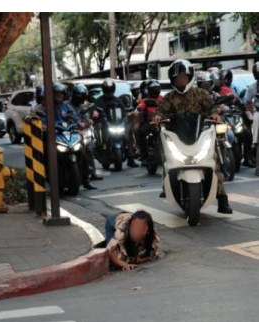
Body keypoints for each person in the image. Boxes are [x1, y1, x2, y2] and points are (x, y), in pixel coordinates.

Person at [154, 59, 231, 213]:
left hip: (200, 136)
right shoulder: (169, 97)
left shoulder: (201, 94)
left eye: (183, 77)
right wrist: (157, 117)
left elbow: (212, 107)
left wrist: (215, 115)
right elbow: (160, 111)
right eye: (177, 78)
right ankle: (166, 184)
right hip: (177, 137)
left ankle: (223, 199)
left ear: (189, 77)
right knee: (164, 155)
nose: (180, 80)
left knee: (214, 162)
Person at [60, 84, 98, 189]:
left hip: (76, 134)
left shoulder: (84, 107)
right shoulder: (64, 105)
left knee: (84, 154)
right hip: (62, 134)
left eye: (81, 95)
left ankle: (86, 180)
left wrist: (86, 122)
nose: (79, 97)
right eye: (77, 95)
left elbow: (85, 120)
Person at [93, 78, 137, 168]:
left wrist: (128, 112)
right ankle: (102, 149)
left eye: (110, 89)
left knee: (128, 131)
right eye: (107, 89)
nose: (109, 91)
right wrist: (95, 112)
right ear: (104, 89)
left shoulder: (117, 100)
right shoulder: (99, 100)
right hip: (105, 123)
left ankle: (130, 158)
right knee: (99, 128)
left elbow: (123, 109)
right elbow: (94, 109)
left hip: (116, 123)